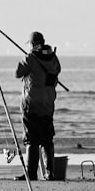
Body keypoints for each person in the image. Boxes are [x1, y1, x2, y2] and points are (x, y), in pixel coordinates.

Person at [15, 31, 62, 181]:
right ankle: (50, 173)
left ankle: (31, 173)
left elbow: (17, 72)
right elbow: (56, 70)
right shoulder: (53, 58)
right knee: (47, 139)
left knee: (31, 139)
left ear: (33, 45)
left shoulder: (31, 58)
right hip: (48, 104)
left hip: (32, 104)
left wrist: (27, 57)